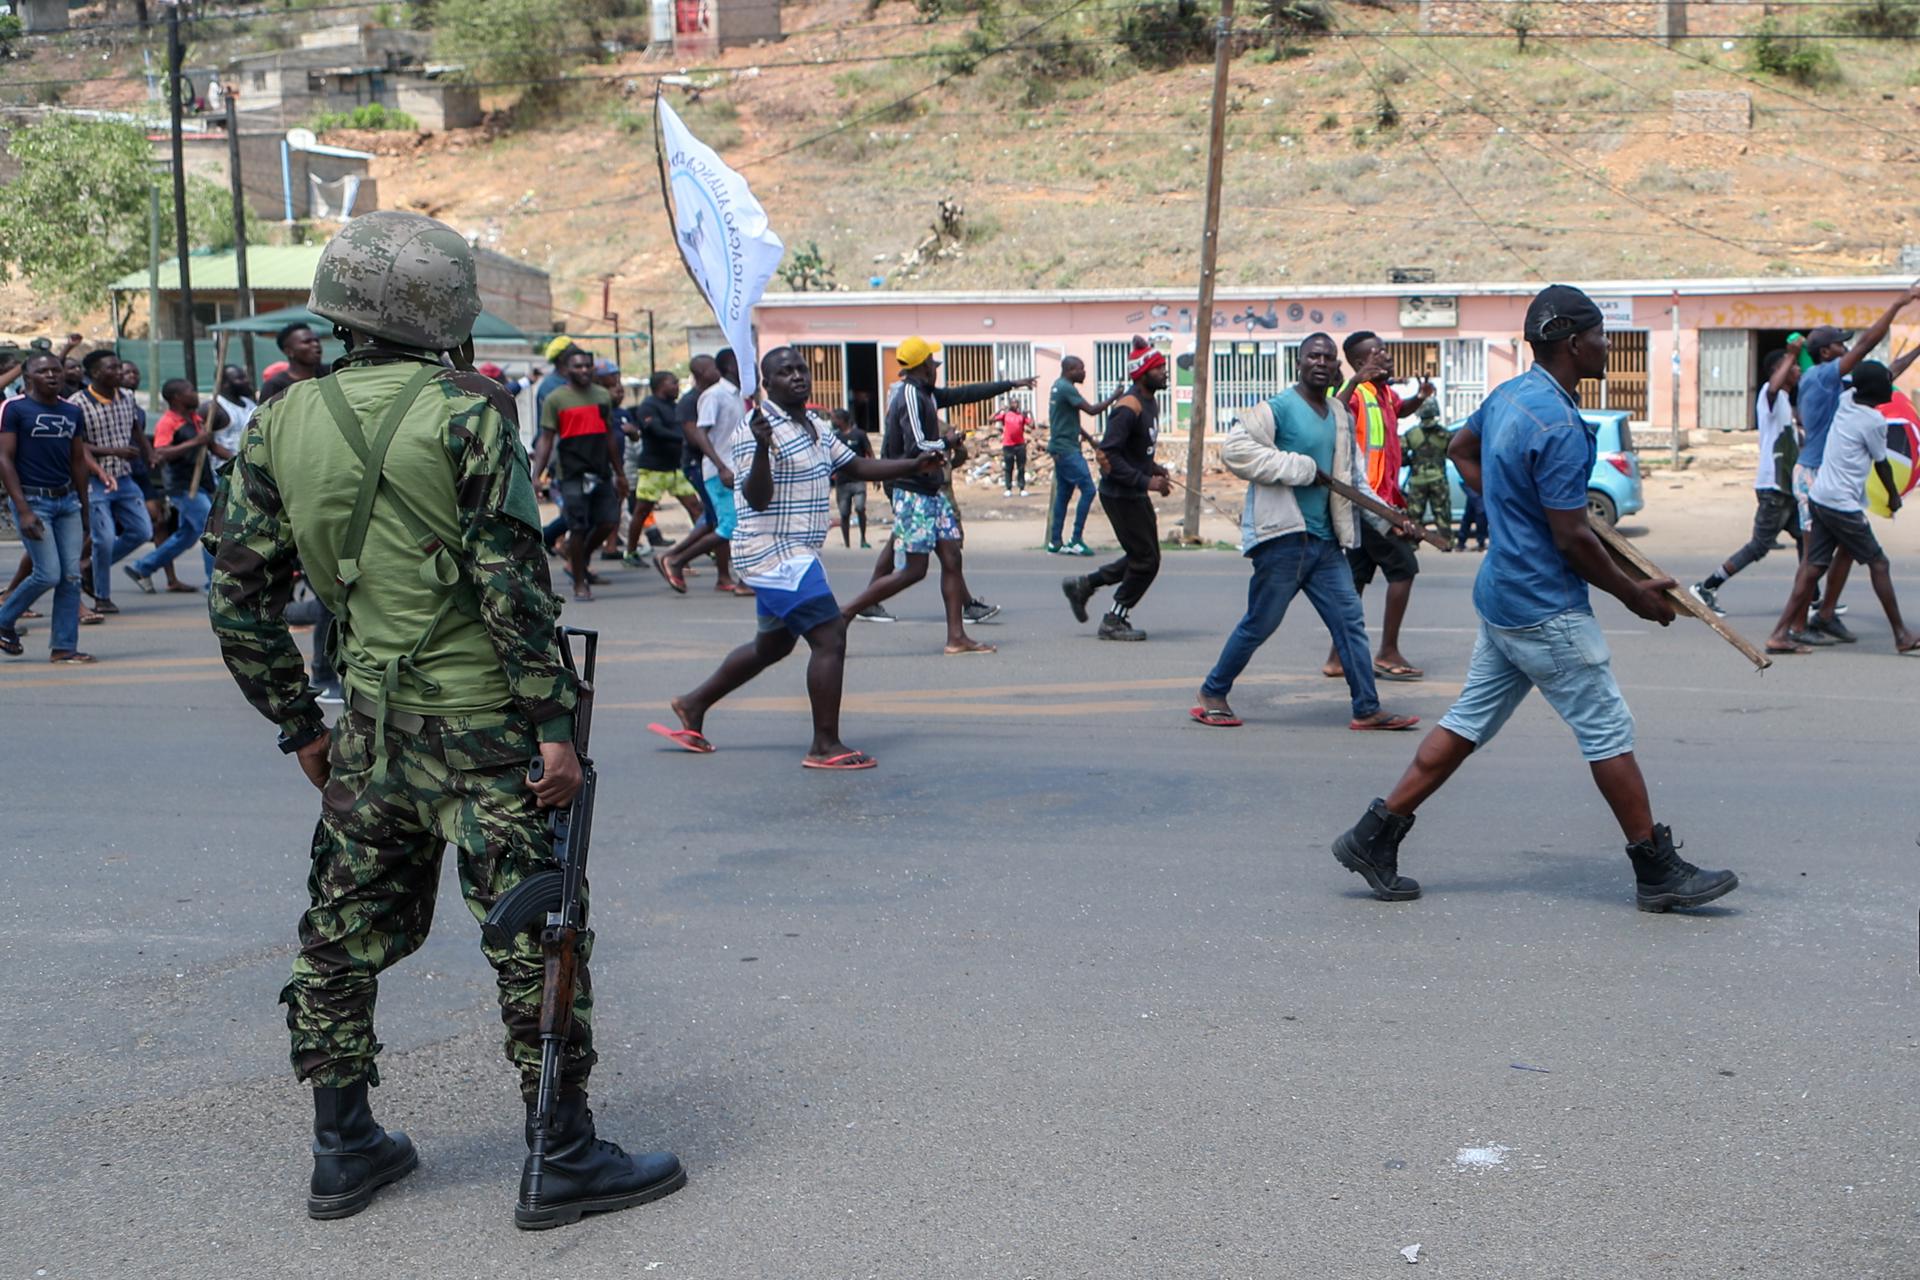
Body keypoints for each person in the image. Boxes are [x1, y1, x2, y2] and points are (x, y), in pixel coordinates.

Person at [205, 210, 683, 1228]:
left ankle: (343, 1148)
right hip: (486, 729)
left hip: (368, 731)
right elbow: (512, 583)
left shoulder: (282, 418)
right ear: (444, 314)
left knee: (338, 936)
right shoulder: (468, 410)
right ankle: (561, 1152)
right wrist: (554, 723)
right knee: (538, 932)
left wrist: (299, 723)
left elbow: (237, 597)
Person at [1330, 285, 1739, 913]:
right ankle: (1656, 870)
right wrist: (1634, 596)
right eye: (1601, 335)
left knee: (1467, 721)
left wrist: (1507, 506)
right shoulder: (1558, 423)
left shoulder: (1509, 397)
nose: (1607, 345)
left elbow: (1467, 453)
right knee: (1607, 729)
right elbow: (1574, 537)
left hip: (1503, 596)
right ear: (1574, 342)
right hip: (1545, 606)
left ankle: (1372, 835)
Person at [649, 347, 946, 767]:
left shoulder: (816, 426)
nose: (797, 377)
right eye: (784, 372)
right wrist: (761, 448)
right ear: (766, 384)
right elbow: (756, 497)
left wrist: (913, 465)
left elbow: (855, 467)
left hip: (797, 552)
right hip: (772, 554)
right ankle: (824, 745)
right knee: (829, 635)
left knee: (771, 646)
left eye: (801, 369)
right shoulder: (755, 429)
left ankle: (693, 705)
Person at [1188, 333, 1421, 732]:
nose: (1321, 362)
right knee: (1261, 623)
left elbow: (1354, 481)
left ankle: (1367, 708)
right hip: (1283, 538)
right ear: (1299, 362)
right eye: (1313, 355)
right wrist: (1299, 468)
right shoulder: (1277, 408)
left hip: (1326, 544)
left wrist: (1390, 519)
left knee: (1350, 622)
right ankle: (1213, 691)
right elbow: (1235, 452)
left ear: (1336, 368)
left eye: (1328, 358)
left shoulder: (1340, 414)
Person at [837, 337, 1029, 652]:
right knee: (914, 570)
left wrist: (1009, 384)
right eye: (933, 362)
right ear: (924, 366)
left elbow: (963, 393)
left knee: (952, 557)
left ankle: (956, 637)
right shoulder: (910, 394)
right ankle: (846, 611)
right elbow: (916, 446)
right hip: (912, 488)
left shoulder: (925, 393)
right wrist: (948, 441)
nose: (936, 368)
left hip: (929, 488)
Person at [1786, 286, 1920, 643]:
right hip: (1815, 474)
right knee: (1814, 559)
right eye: (1840, 344)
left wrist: (1918, 351)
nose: (1848, 347)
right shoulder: (1820, 377)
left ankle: (1826, 614)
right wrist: (1897, 304)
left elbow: (1883, 373)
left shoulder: (1843, 386)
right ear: (1826, 352)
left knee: (1843, 549)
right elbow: (1866, 350)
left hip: (1834, 475)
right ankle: (1796, 627)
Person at [1764, 361, 1919, 656]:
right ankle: (1901, 634)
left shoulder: (1846, 400)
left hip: (1821, 496)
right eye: (1887, 383)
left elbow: (1876, 376)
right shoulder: (1873, 422)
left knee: (1813, 568)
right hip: (1841, 505)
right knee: (1879, 564)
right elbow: (1882, 463)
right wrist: (1893, 497)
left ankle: (1779, 634)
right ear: (1876, 390)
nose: (1892, 388)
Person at [1325, 331, 1434, 683]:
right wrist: (1354, 381)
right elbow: (1333, 414)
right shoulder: (1354, 395)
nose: (1386, 356)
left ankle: (1337, 657)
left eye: (1385, 350)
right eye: (1378, 353)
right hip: (1367, 502)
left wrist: (1419, 397)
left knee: (1356, 579)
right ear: (1359, 363)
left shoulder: (1385, 394)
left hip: (1381, 499)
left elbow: (1400, 412)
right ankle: (1387, 652)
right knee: (1404, 567)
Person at [1061, 339, 1171, 641]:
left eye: (1163, 366)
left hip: (1133, 492)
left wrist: (1154, 468)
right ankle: (1113, 619)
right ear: (1142, 372)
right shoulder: (1128, 407)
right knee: (1146, 560)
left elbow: (1134, 452)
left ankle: (1084, 585)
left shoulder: (1150, 402)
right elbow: (1108, 455)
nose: (1164, 372)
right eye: (1158, 367)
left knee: (1143, 557)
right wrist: (1146, 481)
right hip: (1120, 495)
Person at [1690, 344, 1804, 617]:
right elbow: (1774, 388)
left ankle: (1812, 599)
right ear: (1781, 370)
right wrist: (1790, 353)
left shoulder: (1787, 405)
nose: (1799, 369)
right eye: (1794, 365)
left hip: (1788, 488)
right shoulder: (1770, 394)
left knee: (1806, 539)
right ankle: (1707, 586)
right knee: (1759, 546)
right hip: (1773, 488)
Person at [0, 352, 96, 662]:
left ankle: (64, 647)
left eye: (56, 370)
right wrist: (23, 508)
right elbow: (4, 459)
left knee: (70, 577)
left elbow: (78, 460)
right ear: (28, 378)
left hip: (66, 500)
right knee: (47, 573)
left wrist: (83, 506)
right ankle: (4, 619)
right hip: (33, 500)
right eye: (43, 372)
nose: (52, 375)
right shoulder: (14, 409)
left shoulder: (72, 411)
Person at [529, 348, 627, 602]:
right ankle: (580, 584)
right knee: (578, 526)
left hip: (601, 470)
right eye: (578, 366)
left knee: (608, 521)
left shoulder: (602, 397)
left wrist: (620, 473)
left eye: (587, 366)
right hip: (571, 472)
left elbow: (609, 436)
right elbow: (546, 439)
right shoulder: (556, 399)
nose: (583, 370)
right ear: (566, 369)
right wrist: (536, 475)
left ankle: (577, 560)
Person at [70, 349, 152, 616]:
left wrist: (149, 451)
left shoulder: (127, 396)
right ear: (94, 373)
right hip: (94, 479)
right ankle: (102, 597)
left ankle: (90, 567)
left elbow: (134, 427)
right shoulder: (77, 403)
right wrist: (112, 451)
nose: (120, 373)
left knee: (142, 530)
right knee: (103, 538)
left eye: (120, 367)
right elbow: (77, 446)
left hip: (124, 475)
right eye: (113, 368)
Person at [125, 379, 226, 593]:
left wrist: (240, 457)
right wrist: (194, 443)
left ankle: (143, 566)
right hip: (183, 486)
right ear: (177, 397)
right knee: (212, 531)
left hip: (201, 483)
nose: (195, 393)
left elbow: (212, 446)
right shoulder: (168, 422)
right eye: (191, 389)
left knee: (187, 536)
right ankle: (214, 583)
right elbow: (160, 453)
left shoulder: (196, 419)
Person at [660, 351, 748, 595]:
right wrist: (721, 466)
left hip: (736, 469)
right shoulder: (713, 395)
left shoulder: (737, 395)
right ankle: (676, 560)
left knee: (734, 524)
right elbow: (699, 433)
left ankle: (740, 579)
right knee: (729, 525)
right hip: (719, 472)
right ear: (731, 365)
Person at [623, 370, 703, 567]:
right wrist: (685, 438)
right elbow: (656, 430)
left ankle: (708, 547)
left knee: (695, 507)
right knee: (642, 511)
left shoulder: (675, 406)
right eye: (672, 382)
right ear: (660, 385)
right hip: (654, 468)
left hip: (676, 468)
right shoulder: (648, 406)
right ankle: (630, 553)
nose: (677, 386)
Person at [1045, 355, 1120, 555]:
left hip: (1061, 448)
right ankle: (1076, 539)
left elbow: (1069, 421)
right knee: (1088, 489)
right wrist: (1114, 397)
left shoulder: (1058, 386)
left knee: (1063, 495)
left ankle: (1055, 542)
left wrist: (1089, 439)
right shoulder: (1066, 388)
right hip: (1067, 450)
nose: (1084, 372)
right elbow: (1092, 411)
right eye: (1081, 368)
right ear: (1070, 370)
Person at [1400, 401, 1453, 545]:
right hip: (1439, 479)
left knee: (1415, 515)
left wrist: (1411, 461)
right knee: (1442, 513)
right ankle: (1445, 542)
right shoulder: (1444, 434)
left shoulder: (1412, 434)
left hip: (1418, 480)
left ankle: (1412, 543)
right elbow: (1454, 453)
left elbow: (1400, 455)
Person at [831, 407, 873, 548]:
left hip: (859, 479)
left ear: (842, 420)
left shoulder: (859, 434)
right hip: (842, 481)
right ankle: (847, 543)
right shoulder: (835, 437)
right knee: (844, 513)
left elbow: (869, 452)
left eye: (834, 418)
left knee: (860, 508)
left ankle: (863, 539)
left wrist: (876, 476)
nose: (832, 421)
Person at [206, 363, 259, 473]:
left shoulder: (249, 404)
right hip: (226, 472)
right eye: (240, 378)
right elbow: (209, 443)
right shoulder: (214, 407)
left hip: (251, 471)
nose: (246, 381)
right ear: (224, 384)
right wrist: (237, 461)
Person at [259, 322, 324, 401]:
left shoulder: (329, 374)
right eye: (307, 342)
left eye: (317, 340)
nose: (315, 344)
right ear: (289, 351)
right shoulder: (275, 386)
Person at [993, 397, 1033, 496]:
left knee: (1021, 467)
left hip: (1020, 444)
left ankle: (1022, 488)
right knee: (1008, 467)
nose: (1015, 404)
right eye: (1013, 403)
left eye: (1016, 403)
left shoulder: (1021, 416)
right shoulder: (1005, 415)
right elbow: (991, 419)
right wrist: (1000, 410)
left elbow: (1032, 425)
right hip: (1008, 445)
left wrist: (1030, 413)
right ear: (1010, 404)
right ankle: (1008, 488)